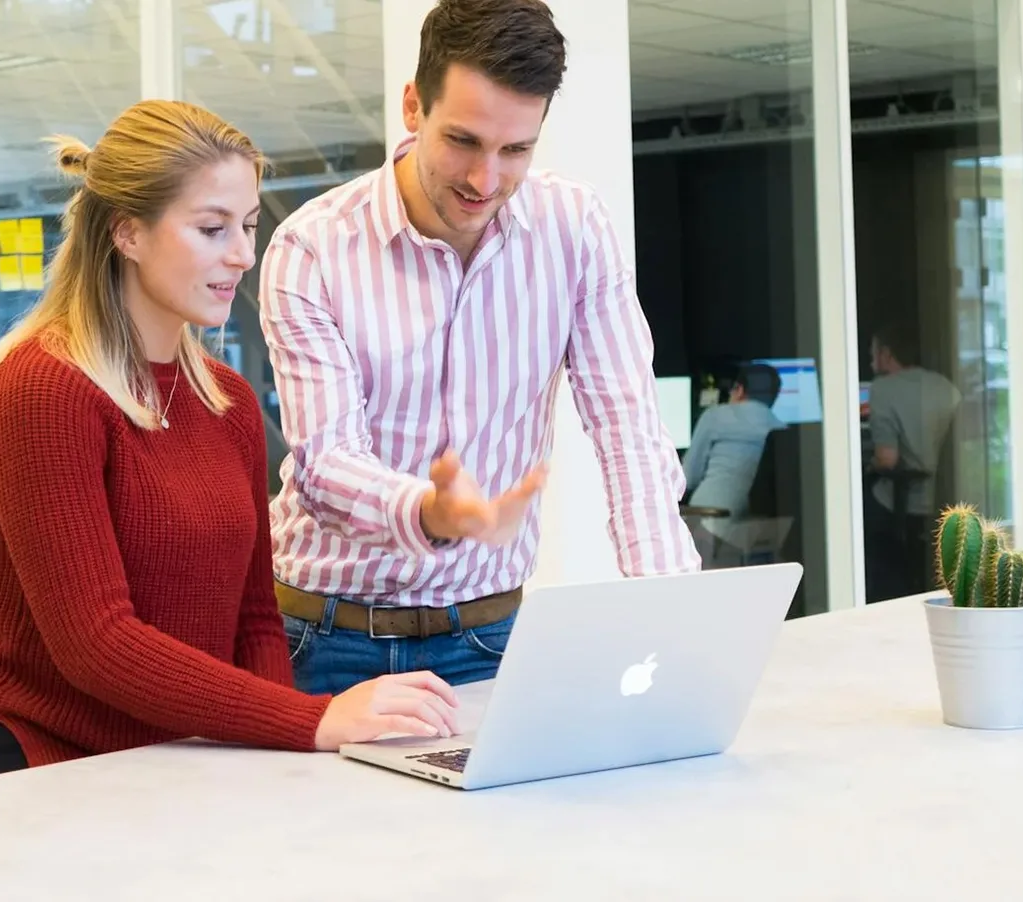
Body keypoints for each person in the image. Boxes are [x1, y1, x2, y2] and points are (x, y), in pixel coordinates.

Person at [0, 100, 461, 787]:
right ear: (127, 232)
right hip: (36, 762)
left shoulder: (228, 403)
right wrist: (310, 720)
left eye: (247, 226)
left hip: (175, 758)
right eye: (212, 229)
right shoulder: (43, 391)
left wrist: (283, 754)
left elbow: (255, 622)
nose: (243, 254)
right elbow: (96, 644)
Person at [258, 0, 700, 697]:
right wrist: (428, 512)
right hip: (322, 639)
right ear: (413, 106)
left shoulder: (575, 229)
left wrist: (671, 611)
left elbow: (629, 430)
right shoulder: (313, 248)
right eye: (462, 140)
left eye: (515, 150)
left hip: (488, 634)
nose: (484, 180)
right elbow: (326, 464)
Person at [863, 324, 961, 599]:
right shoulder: (945, 385)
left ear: (886, 353)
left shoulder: (882, 389)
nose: (871, 359)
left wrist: (869, 466)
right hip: (944, 499)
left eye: (873, 351)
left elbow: (887, 458)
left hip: (908, 502)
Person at [682, 364, 786, 517]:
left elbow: (688, 479)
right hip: (755, 523)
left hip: (708, 517)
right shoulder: (780, 429)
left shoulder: (715, 416)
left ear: (740, 390)